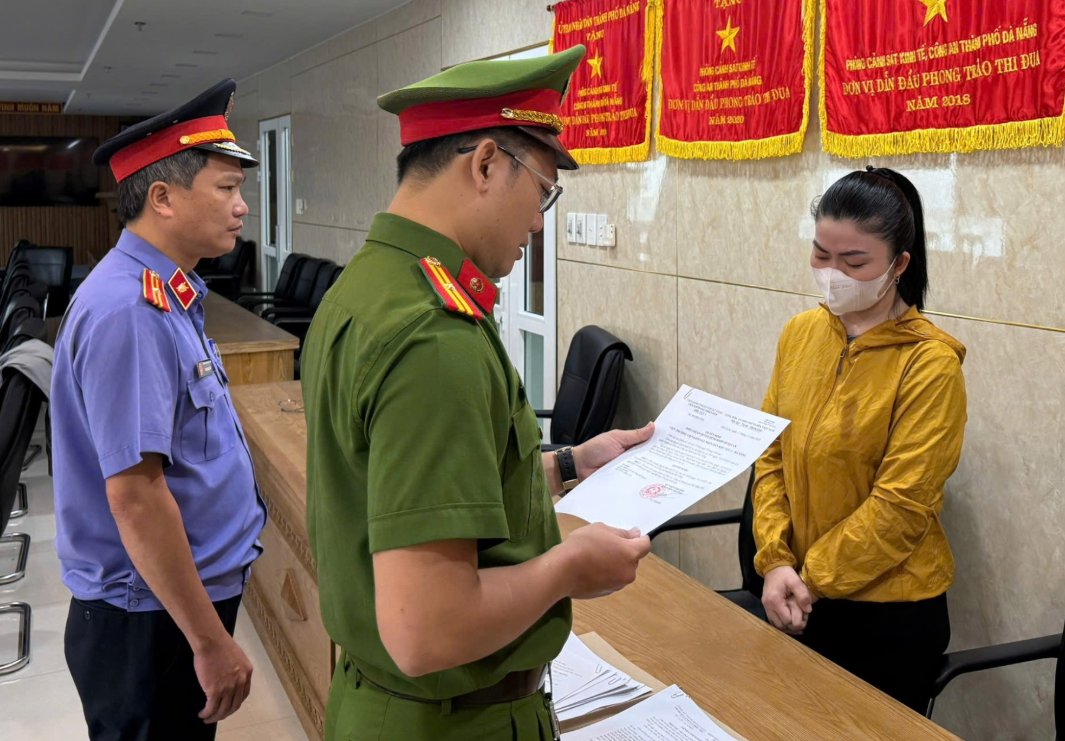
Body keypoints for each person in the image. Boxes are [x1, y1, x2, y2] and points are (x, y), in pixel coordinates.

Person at [300, 46, 654, 741]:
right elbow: (427, 629)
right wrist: (567, 568)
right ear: (486, 163)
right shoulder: (432, 335)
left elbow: (412, 489)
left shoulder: (368, 288)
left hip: (385, 705)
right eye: (543, 192)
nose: (539, 222)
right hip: (453, 722)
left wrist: (569, 463)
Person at [51, 79, 267, 740]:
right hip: (149, 618)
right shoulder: (130, 310)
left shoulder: (167, 292)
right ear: (163, 198)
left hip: (168, 602)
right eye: (226, 188)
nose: (241, 206)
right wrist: (208, 641)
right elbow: (137, 497)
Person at [752, 166, 967, 712]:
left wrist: (811, 579)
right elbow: (770, 452)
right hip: (792, 592)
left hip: (886, 617)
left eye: (854, 263)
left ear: (898, 265)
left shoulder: (929, 365)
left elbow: (900, 508)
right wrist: (775, 560)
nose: (832, 275)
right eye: (822, 254)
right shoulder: (801, 333)